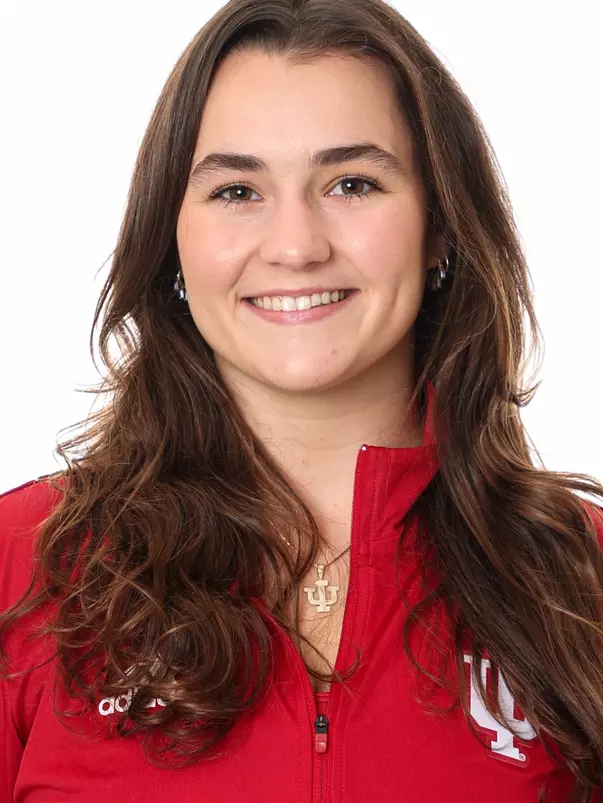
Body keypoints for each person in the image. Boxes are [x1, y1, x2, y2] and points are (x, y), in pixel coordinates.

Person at [1, 0, 603, 801]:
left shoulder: (582, 578)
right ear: (171, 237)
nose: (295, 245)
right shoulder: (23, 567)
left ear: (440, 227)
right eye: (236, 191)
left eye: (352, 183)